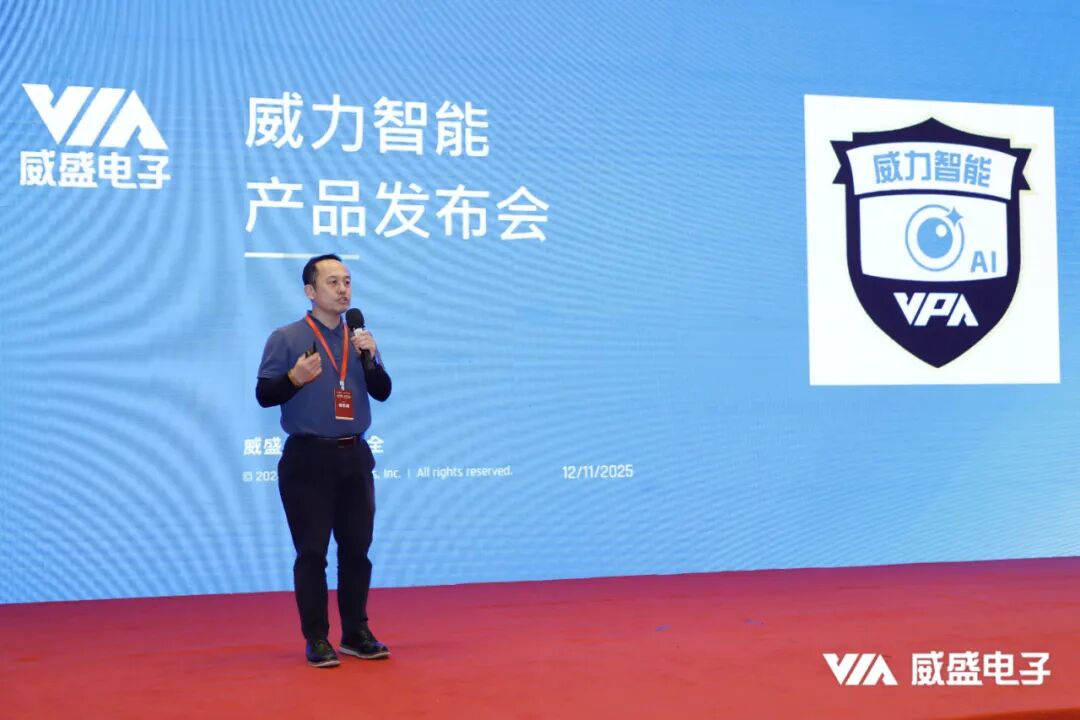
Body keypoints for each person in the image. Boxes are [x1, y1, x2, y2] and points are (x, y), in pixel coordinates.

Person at [256, 254, 392, 668]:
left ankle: (356, 632)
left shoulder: (359, 338)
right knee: (312, 552)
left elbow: (383, 391)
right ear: (310, 291)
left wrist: (372, 357)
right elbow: (264, 395)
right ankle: (316, 638)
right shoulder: (286, 337)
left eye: (347, 281)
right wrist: (293, 379)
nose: (343, 289)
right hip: (308, 458)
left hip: (355, 455)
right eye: (333, 282)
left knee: (357, 550)